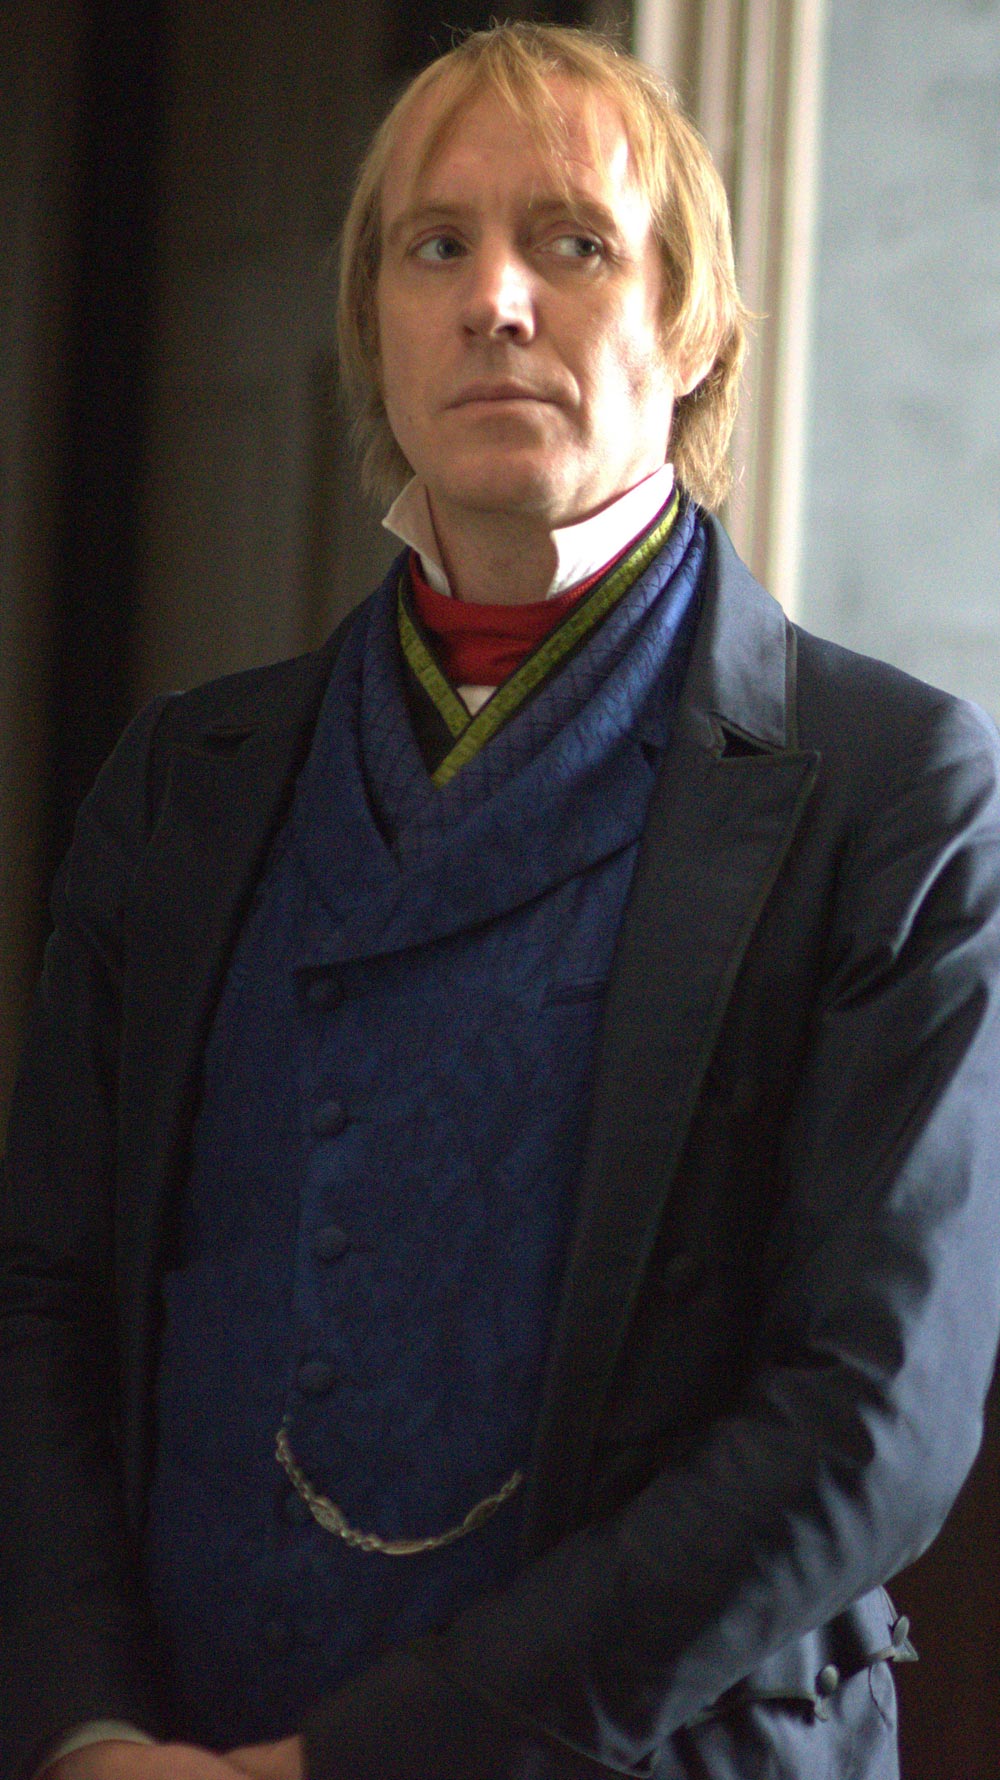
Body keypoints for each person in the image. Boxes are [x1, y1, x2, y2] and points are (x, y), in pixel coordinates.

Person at [3, 21, 1000, 1780]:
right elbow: (43, 1298)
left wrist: (355, 1765)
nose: (495, 302)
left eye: (574, 242)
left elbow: (873, 1417)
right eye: (435, 245)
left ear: (692, 324)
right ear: (373, 327)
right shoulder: (181, 782)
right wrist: (85, 1728)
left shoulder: (893, 790)